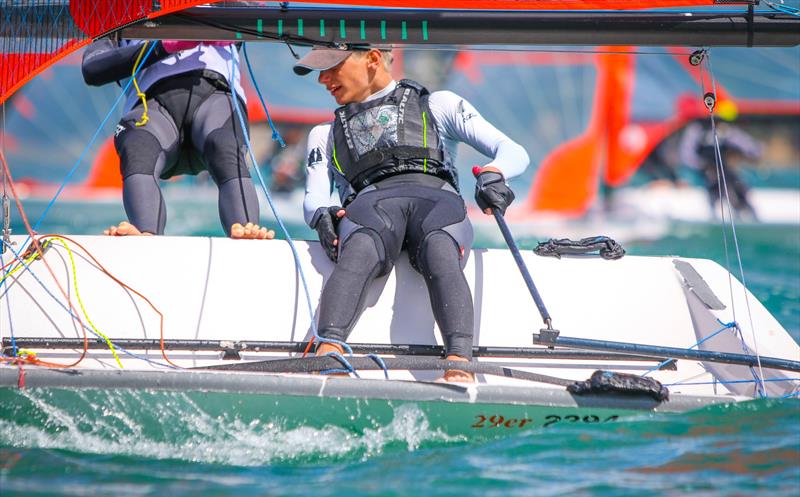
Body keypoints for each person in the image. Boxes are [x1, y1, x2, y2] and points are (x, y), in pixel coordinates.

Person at [295, 46, 529, 382]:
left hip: (437, 205)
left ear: (373, 59)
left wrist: (493, 173)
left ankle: (459, 362)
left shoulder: (439, 105)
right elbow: (314, 195)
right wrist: (321, 215)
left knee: (440, 253)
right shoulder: (325, 133)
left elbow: (512, 151)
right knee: (359, 250)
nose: (322, 79)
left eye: (332, 67)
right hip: (371, 209)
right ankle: (329, 351)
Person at [81, 38, 274, 239]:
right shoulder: (120, 20)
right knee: (137, 148)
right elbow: (92, 68)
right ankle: (145, 233)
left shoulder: (220, 5)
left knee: (224, 146)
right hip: (152, 111)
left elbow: (258, 9)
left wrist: (225, 21)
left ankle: (245, 230)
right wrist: (163, 47)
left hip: (214, 99)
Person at [679, 120, 762, 219]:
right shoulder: (697, 130)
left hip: (722, 170)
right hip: (701, 172)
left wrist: (754, 151)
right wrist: (702, 165)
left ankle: (743, 209)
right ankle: (714, 209)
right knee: (714, 183)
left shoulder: (724, 130)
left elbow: (746, 145)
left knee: (735, 183)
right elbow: (686, 155)